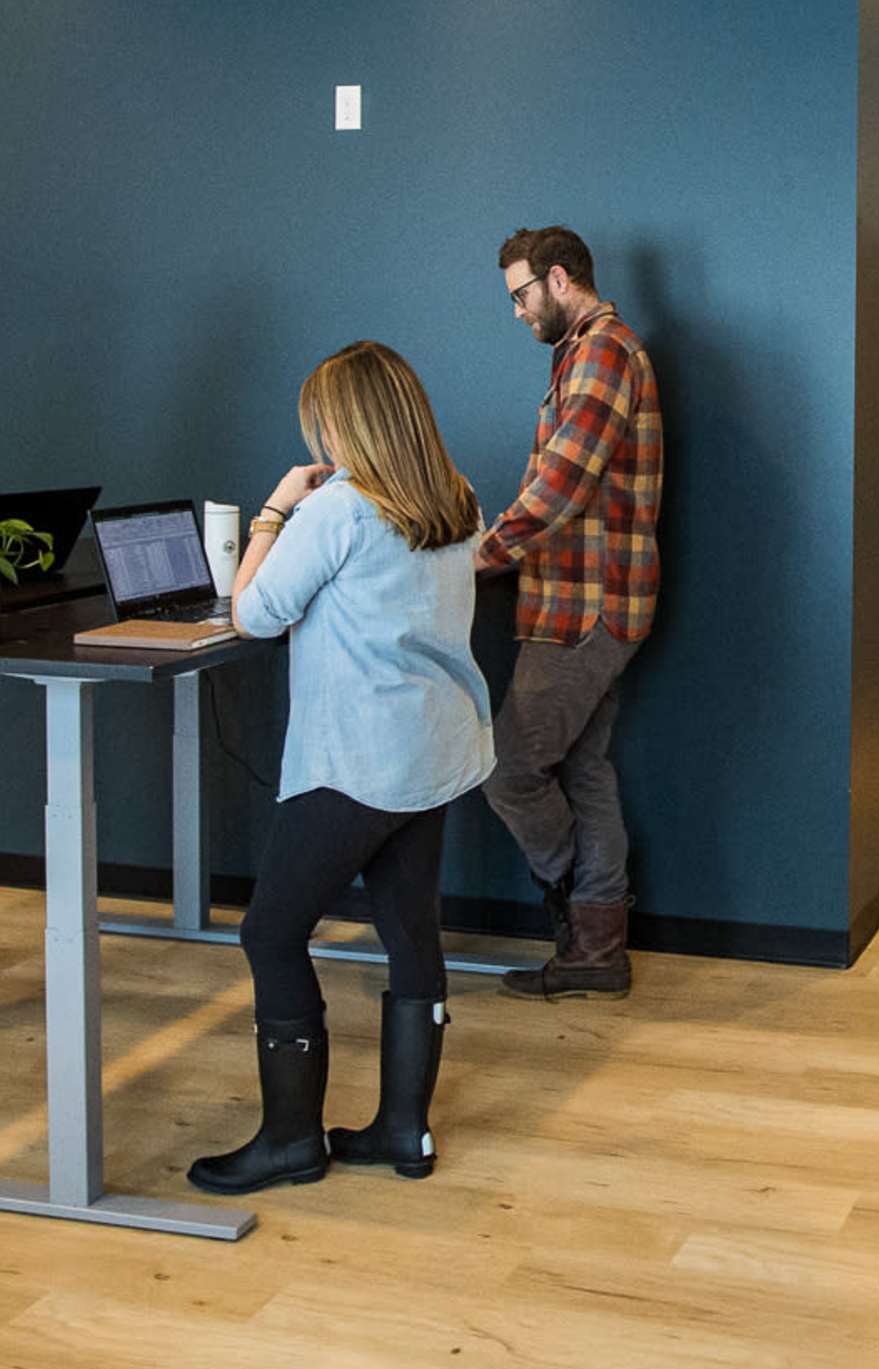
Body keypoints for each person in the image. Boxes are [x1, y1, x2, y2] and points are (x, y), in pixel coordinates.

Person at [189, 341, 497, 1195]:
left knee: (270, 932)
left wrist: (273, 512)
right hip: (434, 748)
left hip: (358, 758)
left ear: (342, 422)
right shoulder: (457, 496)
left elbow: (253, 614)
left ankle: (291, 1141)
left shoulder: (337, 511)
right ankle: (405, 1131)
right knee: (411, 938)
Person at [478, 224, 664, 999]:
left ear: (558, 279)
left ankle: (577, 904)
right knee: (585, 769)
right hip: (591, 601)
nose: (516, 311)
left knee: (508, 769)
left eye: (520, 294)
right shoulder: (583, 354)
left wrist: (480, 556)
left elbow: (561, 485)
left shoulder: (602, 351)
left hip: (584, 608)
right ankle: (598, 951)